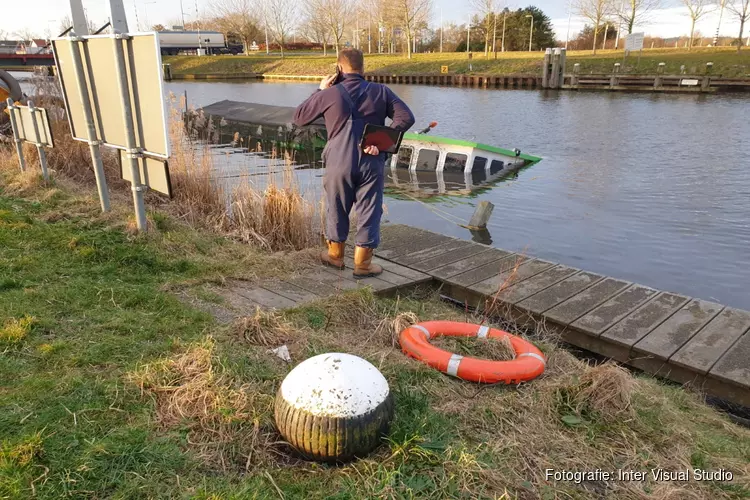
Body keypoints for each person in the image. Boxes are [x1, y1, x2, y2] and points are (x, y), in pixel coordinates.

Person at [294, 48, 415, 278]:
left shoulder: (328, 94)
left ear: (339, 68)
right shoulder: (381, 91)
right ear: (363, 68)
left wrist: (319, 90)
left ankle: (335, 256)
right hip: (371, 159)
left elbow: (299, 117)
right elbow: (406, 118)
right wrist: (381, 142)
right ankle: (363, 265)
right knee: (369, 209)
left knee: (336, 206)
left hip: (339, 160)